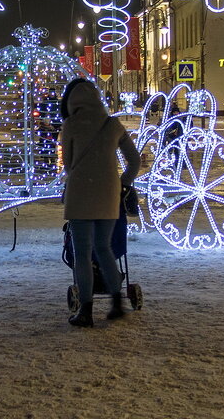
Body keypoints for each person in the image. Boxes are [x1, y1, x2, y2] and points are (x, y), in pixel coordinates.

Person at [59, 77, 140, 327]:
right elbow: (134, 160)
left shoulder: (70, 125)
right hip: (109, 194)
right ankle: (117, 301)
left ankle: (86, 311)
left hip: (80, 193)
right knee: (104, 248)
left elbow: (69, 164)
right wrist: (123, 183)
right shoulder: (112, 124)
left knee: (82, 254)